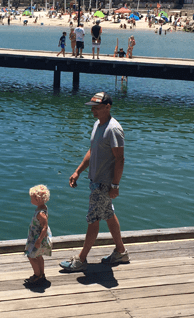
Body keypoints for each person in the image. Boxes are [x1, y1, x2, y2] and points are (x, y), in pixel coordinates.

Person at [60, 92, 129, 272]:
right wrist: (78, 171)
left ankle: (81, 260)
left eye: (96, 107)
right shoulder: (98, 125)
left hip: (104, 184)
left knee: (93, 220)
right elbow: (92, 151)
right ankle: (121, 252)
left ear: (108, 107)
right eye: (92, 107)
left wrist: (115, 185)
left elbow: (120, 159)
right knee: (108, 214)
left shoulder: (113, 129)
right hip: (96, 181)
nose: (93, 110)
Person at [24, 184, 52, 287]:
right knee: (38, 256)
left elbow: (44, 227)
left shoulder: (40, 213)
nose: (30, 199)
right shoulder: (43, 208)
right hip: (37, 237)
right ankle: (41, 274)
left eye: (32, 198)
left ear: (38, 199)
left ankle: (37, 275)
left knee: (31, 256)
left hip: (37, 238)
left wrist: (38, 241)